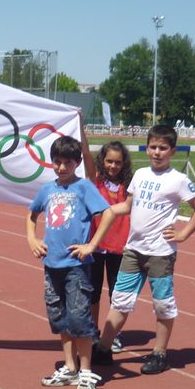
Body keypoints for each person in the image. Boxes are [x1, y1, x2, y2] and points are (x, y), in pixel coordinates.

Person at [93, 124, 195, 375]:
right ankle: (103, 348)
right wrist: (111, 210)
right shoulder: (140, 175)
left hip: (160, 253)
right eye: (153, 147)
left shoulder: (178, 180)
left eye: (163, 148)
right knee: (120, 301)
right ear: (147, 148)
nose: (157, 152)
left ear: (173, 151)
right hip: (133, 251)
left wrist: (183, 234)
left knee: (163, 304)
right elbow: (128, 206)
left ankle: (159, 353)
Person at [27, 135, 116, 389]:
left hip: (77, 265)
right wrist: (32, 238)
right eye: (57, 162)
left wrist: (92, 245)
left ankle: (86, 371)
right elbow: (31, 214)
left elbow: (107, 213)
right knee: (60, 317)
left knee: (79, 317)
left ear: (77, 162)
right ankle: (69, 367)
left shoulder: (84, 187)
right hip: (51, 264)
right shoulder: (48, 189)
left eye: (67, 162)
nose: (62, 167)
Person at [82, 138, 133, 352]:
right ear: (102, 161)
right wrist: (81, 126)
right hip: (95, 245)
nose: (112, 166)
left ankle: (114, 334)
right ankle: (93, 331)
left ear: (124, 164)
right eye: (109, 161)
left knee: (116, 293)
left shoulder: (129, 185)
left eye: (117, 162)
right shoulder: (95, 181)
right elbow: (85, 156)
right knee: (93, 292)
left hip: (119, 247)